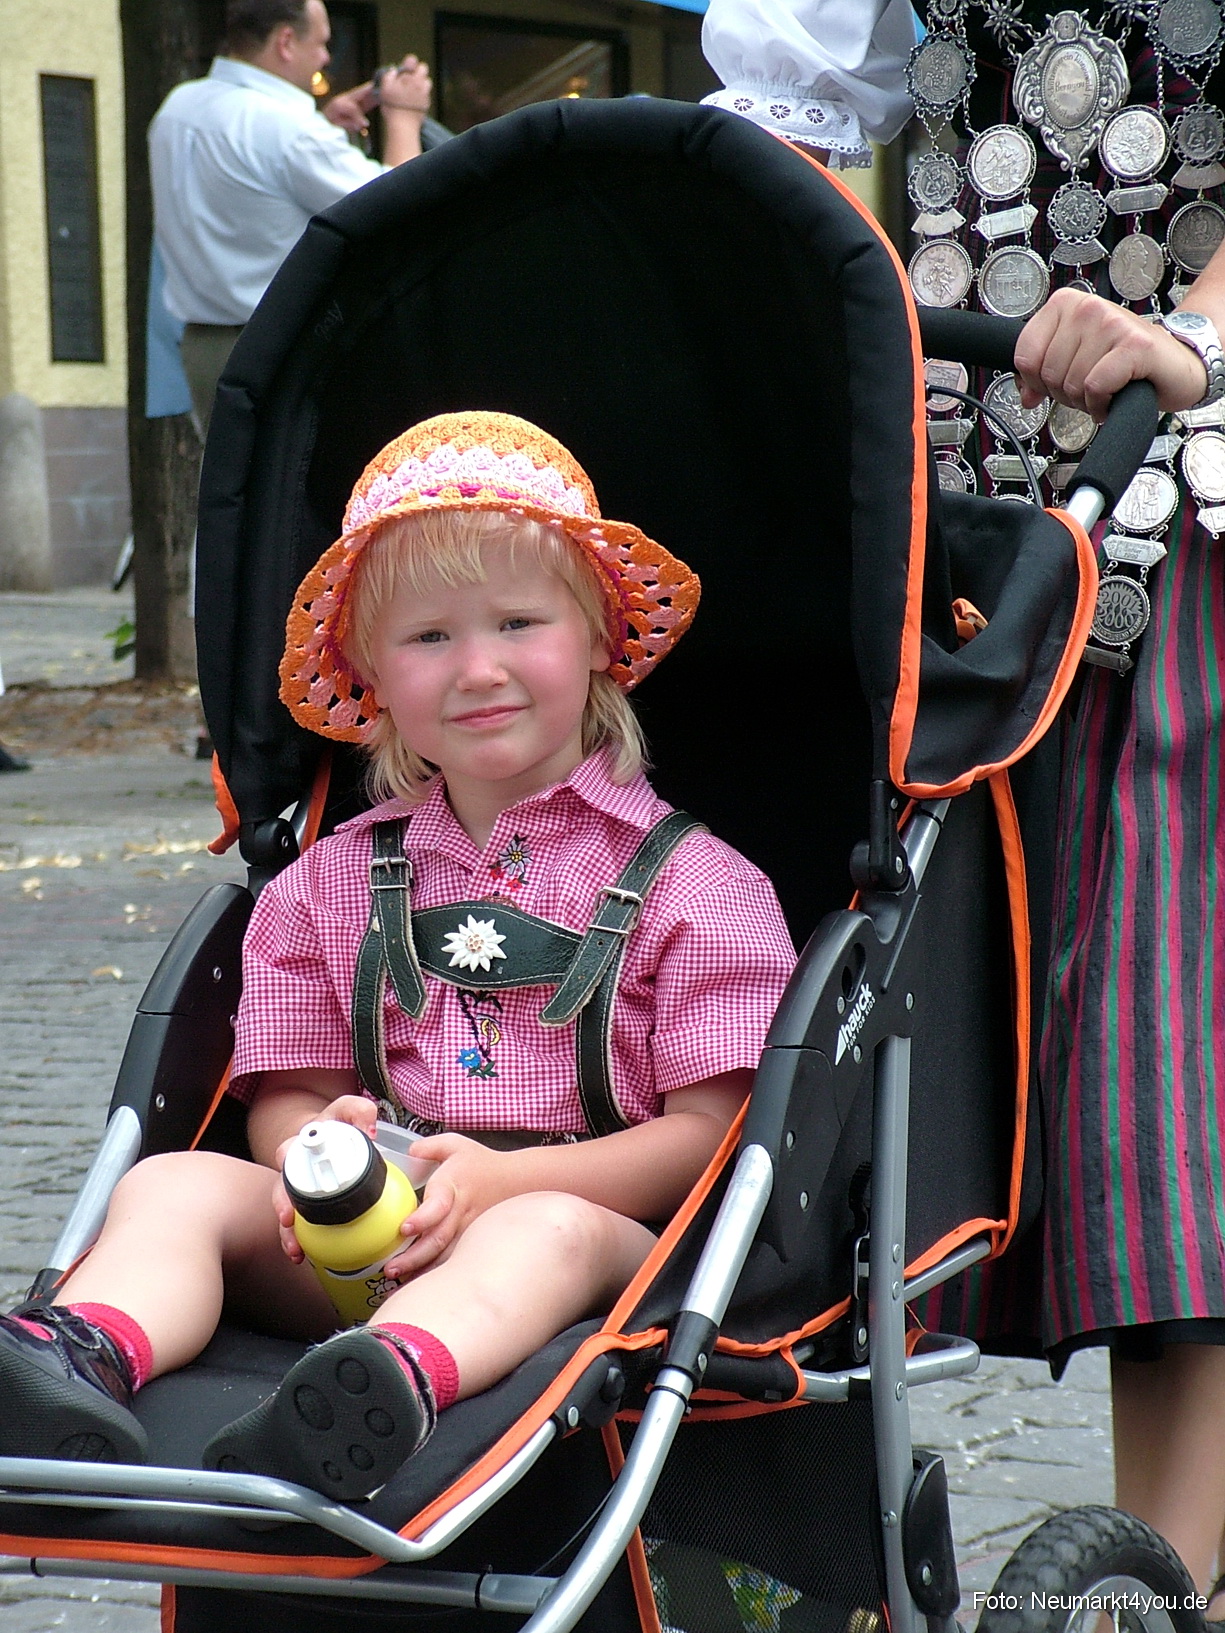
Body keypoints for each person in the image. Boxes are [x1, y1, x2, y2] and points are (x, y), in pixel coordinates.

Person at [0, 411, 796, 1501]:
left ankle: (377, 1390)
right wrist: (313, 1149)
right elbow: (288, 1092)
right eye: (428, 638)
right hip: (361, 1231)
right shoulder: (330, 882)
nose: (477, 669)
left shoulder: (699, 888)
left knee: (543, 1233)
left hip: (589, 1248)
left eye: (517, 621)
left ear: (599, 636)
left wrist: (507, 1180)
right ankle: (82, 1348)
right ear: (372, 672)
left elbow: (708, 1136)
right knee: (176, 1179)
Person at [703, 0, 1225, 1605]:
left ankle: (1171, 1575)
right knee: (897, 1008)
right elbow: (788, 97)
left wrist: (1190, 339)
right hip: (959, 480)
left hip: (1186, 474)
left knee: (1157, 1061)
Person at [150, 0, 433, 437]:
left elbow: (251, 185)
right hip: (282, 351)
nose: (325, 58)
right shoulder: (290, 131)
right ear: (285, 41)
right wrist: (405, 117)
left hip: (202, 348)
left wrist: (323, 125)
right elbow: (399, 207)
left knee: (232, 492)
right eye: (320, 43)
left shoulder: (178, 107)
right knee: (297, 496)